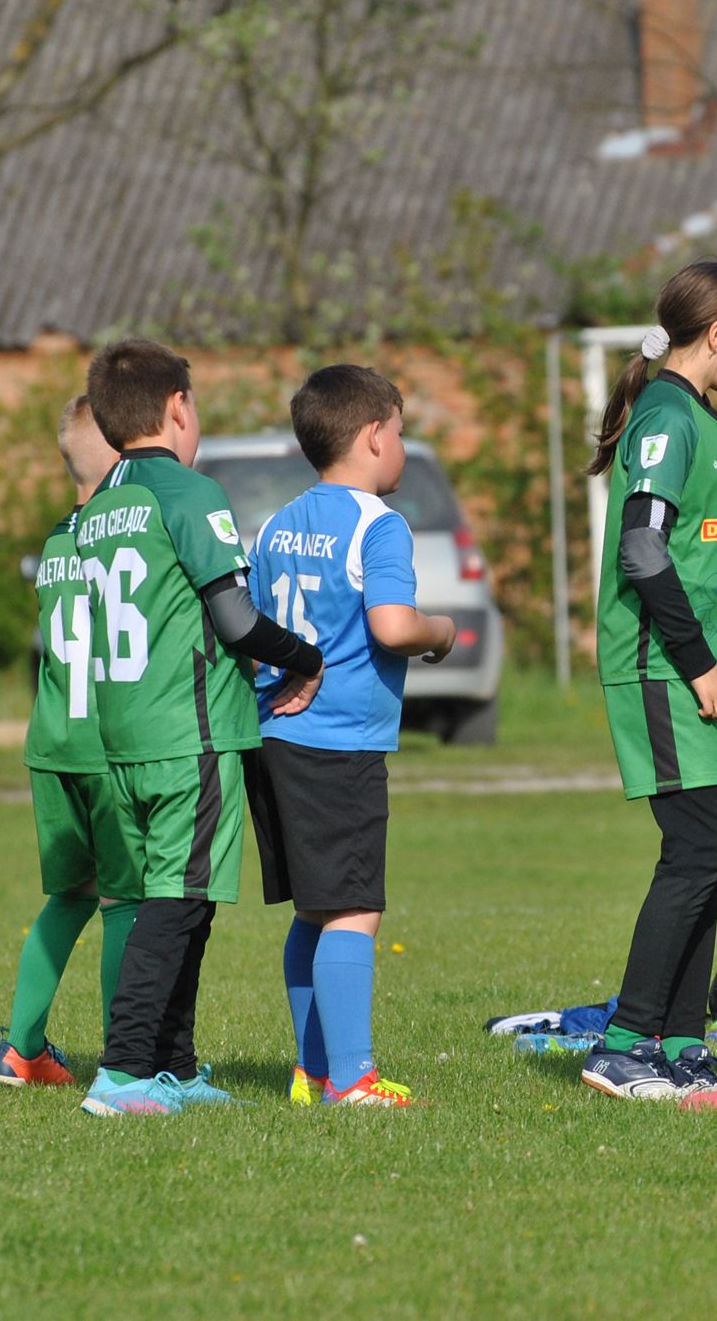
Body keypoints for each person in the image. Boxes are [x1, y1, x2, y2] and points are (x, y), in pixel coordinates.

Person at [74, 339, 324, 1118]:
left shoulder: (100, 503)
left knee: (184, 898)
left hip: (124, 736)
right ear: (179, 406)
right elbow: (235, 617)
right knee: (177, 902)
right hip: (192, 733)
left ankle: (171, 1068)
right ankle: (120, 1074)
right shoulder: (189, 494)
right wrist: (306, 656)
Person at [580, 260, 717, 1107]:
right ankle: (625, 1042)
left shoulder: (694, 416)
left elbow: (709, 557)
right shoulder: (666, 419)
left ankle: (679, 1042)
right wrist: (703, 664)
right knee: (697, 852)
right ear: (716, 334)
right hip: (663, 667)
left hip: (701, 672)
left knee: (709, 854)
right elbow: (643, 549)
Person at [244, 365, 456, 1108]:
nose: (401, 445)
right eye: (399, 432)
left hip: (274, 735)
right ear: (374, 435)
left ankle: (312, 1071)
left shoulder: (274, 524)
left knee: (315, 906)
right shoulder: (379, 524)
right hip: (339, 742)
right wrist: (441, 633)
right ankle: (354, 1079)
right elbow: (392, 626)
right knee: (354, 908)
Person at [0, 396, 141, 1087]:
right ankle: (124, 1056)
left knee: (71, 895)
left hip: (50, 742)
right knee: (124, 901)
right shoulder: (120, 538)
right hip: (104, 746)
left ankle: (20, 1047)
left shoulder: (54, 542)